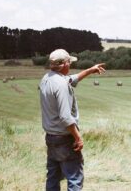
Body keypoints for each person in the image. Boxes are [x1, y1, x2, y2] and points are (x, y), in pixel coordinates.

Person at [39, 49, 105, 190]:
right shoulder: (62, 85)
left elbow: (71, 79)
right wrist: (78, 137)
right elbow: (65, 117)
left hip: (51, 137)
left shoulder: (47, 78)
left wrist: (90, 70)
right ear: (63, 64)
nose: (71, 65)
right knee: (75, 177)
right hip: (64, 138)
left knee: (53, 177)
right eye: (69, 62)